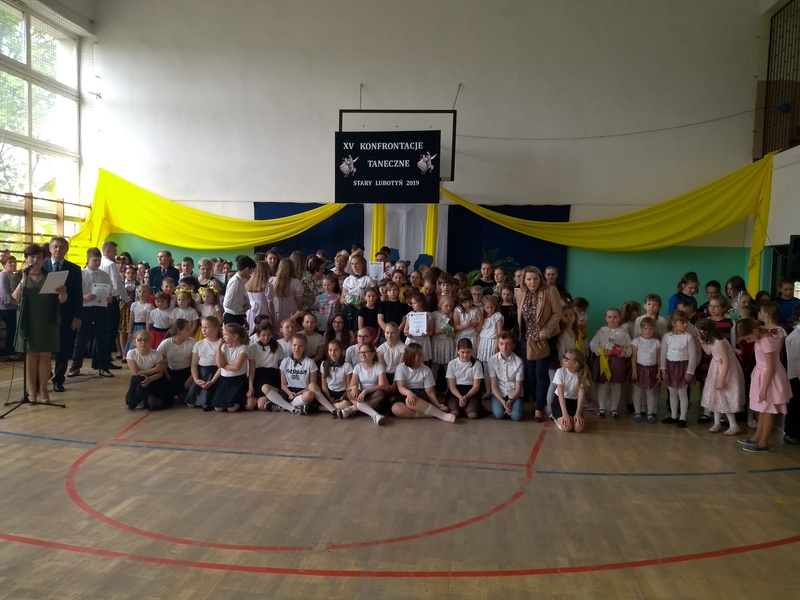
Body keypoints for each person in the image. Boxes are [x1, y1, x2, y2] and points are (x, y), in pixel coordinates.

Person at [11, 244, 67, 403]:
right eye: (32, 257)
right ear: (26, 259)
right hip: (28, 320)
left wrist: (63, 293)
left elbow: (62, 300)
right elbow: (15, 299)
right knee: (31, 355)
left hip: (47, 319)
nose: (35, 260)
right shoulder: (19, 276)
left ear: (44, 260)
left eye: (39, 257)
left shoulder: (51, 276)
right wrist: (23, 279)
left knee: (45, 355)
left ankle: (43, 389)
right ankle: (31, 391)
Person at [736, 318, 792, 452]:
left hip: (769, 379)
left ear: (755, 331)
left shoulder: (766, 341)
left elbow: (771, 367)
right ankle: (757, 438)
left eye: (748, 338)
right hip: (762, 375)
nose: (748, 342)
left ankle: (763, 443)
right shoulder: (761, 338)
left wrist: (764, 389)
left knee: (768, 411)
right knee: (762, 410)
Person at [516, 266, 562, 422]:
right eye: (529, 279)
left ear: (540, 279)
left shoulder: (550, 290)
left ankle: (539, 408)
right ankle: (537, 401)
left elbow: (557, 313)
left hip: (544, 338)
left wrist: (546, 331)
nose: (532, 282)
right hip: (527, 339)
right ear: (524, 280)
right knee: (530, 373)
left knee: (541, 372)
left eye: (535, 278)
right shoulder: (520, 292)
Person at [42, 237, 82, 392]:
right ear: (50, 248)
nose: (58, 250)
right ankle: (43, 375)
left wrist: (77, 316)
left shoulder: (74, 269)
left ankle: (58, 380)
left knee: (63, 348)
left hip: (66, 314)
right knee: (44, 348)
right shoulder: (42, 266)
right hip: (44, 314)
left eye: (62, 247)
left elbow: (78, 294)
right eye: (55, 246)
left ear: (66, 250)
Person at [69, 247, 114, 378]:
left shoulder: (105, 275)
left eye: (99, 260)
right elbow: (74, 293)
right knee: (81, 338)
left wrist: (109, 297)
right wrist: (84, 296)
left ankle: (103, 367)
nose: (97, 263)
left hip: (101, 308)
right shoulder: (81, 274)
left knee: (102, 338)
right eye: (94, 260)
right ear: (88, 260)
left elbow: (109, 291)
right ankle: (75, 367)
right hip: (85, 308)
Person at [695, 319, 745, 436]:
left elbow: (726, 362)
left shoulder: (720, 342)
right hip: (716, 368)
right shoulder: (711, 339)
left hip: (725, 370)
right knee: (716, 396)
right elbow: (708, 351)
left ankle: (733, 425)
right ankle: (717, 423)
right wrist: (700, 340)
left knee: (725, 396)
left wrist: (721, 380)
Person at [392, 343, 455, 422]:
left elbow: (429, 391)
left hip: (419, 393)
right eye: (420, 355)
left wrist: (437, 405)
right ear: (412, 357)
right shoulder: (401, 368)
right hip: (405, 392)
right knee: (395, 408)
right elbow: (401, 386)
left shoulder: (426, 370)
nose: (423, 356)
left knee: (410, 402)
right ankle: (432, 414)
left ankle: (442, 415)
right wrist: (408, 393)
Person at [589, 308, 632, 420]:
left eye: (615, 317)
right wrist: (602, 351)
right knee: (603, 385)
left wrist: (624, 353)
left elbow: (630, 348)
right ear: (606, 318)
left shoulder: (624, 333)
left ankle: (614, 409)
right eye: (609, 317)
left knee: (616, 386)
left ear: (619, 318)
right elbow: (593, 345)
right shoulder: (601, 332)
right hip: (604, 362)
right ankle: (602, 408)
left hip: (618, 363)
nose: (612, 319)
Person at [659, 310, 699, 428]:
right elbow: (663, 354)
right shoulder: (667, 337)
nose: (685, 325)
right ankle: (674, 415)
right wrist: (663, 369)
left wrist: (690, 371)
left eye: (686, 322)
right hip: (671, 367)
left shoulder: (688, 337)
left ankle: (683, 417)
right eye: (682, 322)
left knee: (682, 393)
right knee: (672, 392)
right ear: (674, 323)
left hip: (683, 367)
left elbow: (693, 356)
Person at [339, 342, 388, 424]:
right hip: (361, 396)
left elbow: (382, 385)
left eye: (365, 352)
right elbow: (351, 385)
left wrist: (366, 391)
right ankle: (375, 414)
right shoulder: (357, 367)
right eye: (361, 352)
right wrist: (354, 387)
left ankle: (351, 409)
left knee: (381, 394)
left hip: (374, 395)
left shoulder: (379, 367)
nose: (363, 354)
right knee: (349, 392)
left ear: (373, 354)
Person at [125, 330, 169, 410]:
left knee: (155, 404)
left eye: (146, 340)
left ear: (150, 342)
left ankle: (149, 399)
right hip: (140, 379)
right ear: (134, 342)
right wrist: (155, 369)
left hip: (154, 379)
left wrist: (150, 379)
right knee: (138, 379)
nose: (143, 342)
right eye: (140, 340)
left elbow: (160, 373)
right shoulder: (131, 353)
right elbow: (136, 372)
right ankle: (141, 399)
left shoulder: (156, 354)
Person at [246, 321, 285, 411]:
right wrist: (250, 387)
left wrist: (282, 384)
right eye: (263, 335)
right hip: (258, 376)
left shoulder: (277, 346)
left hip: (271, 376)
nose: (266, 338)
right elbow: (252, 370)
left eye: (269, 335)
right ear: (258, 334)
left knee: (261, 405)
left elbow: (280, 367)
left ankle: (277, 397)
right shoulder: (253, 347)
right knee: (249, 406)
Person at [99, 240, 126, 370]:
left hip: (101, 299)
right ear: (107, 250)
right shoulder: (110, 264)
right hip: (111, 299)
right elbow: (117, 284)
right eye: (114, 251)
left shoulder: (99, 262)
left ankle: (98, 359)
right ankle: (106, 359)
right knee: (111, 330)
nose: (116, 253)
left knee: (102, 330)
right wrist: (126, 298)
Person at [212, 323, 250, 412]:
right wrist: (219, 347)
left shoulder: (243, 348)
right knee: (218, 408)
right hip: (224, 380)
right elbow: (219, 364)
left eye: (226, 334)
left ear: (235, 336)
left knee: (231, 409)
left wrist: (223, 365)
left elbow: (236, 367)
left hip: (237, 381)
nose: (223, 337)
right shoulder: (224, 347)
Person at [185, 316, 222, 409]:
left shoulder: (221, 344)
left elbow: (221, 366)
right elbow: (194, 364)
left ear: (216, 329)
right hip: (201, 374)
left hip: (215, 374)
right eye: (202, 327)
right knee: (190, 404)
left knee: (208, 404)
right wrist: (196, 379)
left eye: (207, 327)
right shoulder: (198, 344)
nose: (204, 330)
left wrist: (212, 381)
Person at [630, 317, 661, 423]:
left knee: (650, 393)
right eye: (646, 328)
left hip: (652, 370)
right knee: (637, 392)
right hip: (640, 369)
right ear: (641, 329)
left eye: (651, 328)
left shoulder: (657, 342)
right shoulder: (636, 341)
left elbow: (658, 358)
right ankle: (637, 412)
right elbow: (633, 358)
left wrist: (659, 371)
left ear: (654, 329)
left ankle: (650, 413)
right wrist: (634, 371)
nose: (648, 331)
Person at [552, 349, 590, 433]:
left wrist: (578, 413)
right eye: (564, 357)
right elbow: (561, 395)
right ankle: (555, 418)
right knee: (567, 427)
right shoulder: (560, 372)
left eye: (567, 359)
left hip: (573, 404)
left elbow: (581, 395)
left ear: (575, 363)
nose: (563, 360)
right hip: (559, 403)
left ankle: (571, 418)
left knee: (579, 428)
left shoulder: (582, 374)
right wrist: (565, 414)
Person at [157, 319, 195, 403]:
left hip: (187, 373)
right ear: (179, 332)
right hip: (171, 373)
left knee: (186, 399)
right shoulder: (166, 343)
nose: (190, 330)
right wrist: (166, 376)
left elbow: (195, 363)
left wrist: (191, 378)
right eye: (187, 329)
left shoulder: (192, 342)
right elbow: (158, 361)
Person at [445, 338, 484, 419]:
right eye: (462, 352)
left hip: (471, 391)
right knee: (454, 412)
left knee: (472, 414)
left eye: (468, 352)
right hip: (456, 391)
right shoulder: (452, 364)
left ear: (472, 351)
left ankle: (467, 407)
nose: (465, 355)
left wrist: (466, 397)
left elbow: (476, 386)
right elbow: (451, 386)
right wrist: (460, 397)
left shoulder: (477, 364)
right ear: (457, 351)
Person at [341, 254, 375, 332]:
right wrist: (350, 301)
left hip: (361, 310)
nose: (354, 266)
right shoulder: (348, 280)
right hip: (349, 311)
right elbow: (342, 300)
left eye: (357, 263)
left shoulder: (368, 280)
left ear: (362, 264)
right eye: (352, 264)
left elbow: (373, 297)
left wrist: (360, 300)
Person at [222, 255, 256, 327]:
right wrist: (241, 309)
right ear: (247, 269)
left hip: (237, 315)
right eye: (251, 270)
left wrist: (246, 305)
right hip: (233, 317)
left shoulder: (240, 281)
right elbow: (228, 303)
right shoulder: (236, 281)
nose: (251, 273)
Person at [783, 304, 800, 445]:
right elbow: (795, 362)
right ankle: (791, 433)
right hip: (797, 377)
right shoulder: (795, 337)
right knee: (795, 405)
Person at [320, 339, 352, 410]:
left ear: (341, 351)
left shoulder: (347, 366)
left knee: (346, 404)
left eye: (336, 350)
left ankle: (323, 408)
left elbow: (348, 386)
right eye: (330, 350)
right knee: (317, 395)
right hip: (329, 393)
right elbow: (324, 386)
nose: (333, 353)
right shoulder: (324, 364)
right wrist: (329, 399)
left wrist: (342, 398)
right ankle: (335, 407)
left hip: (342, 393)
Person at [271, 258, 303, 327]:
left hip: (275, 306)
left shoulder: (272, 280)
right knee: (289, 327)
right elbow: (299, 302)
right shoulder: (295, 282)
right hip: (290, 308)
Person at [245, 261, 275, 333]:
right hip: (262, 310)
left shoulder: (248, 284)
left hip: (250, 310)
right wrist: (273, 318)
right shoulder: (267, 285)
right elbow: (270, 305)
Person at [404, 293, 433, 362]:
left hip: (423, 341)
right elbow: (405, 329)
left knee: (421, 360)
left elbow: (431, 331)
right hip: (412, 340)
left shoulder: (428, 315)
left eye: (415, 303)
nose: (412, 305)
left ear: (421, 303)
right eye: (412, 303)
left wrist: (427, 333)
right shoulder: (410, 314)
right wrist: (407, 333)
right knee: (410, 359)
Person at [125, 284, 154, 354]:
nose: (141, 293)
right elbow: (131, 319)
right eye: (140, 291)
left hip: (144, 327)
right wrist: (130, 332)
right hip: (135, 328)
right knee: (134, 346)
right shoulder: (134, 305)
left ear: (149, 294)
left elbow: (148, 320)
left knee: (143, 345)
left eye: (144, 292)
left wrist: (148, 332)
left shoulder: (149, 306)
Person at [0, 254, 18, 357]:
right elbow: (5, 296)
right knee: (13, 327)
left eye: (14, 262)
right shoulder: (3, 275)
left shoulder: (14, 275)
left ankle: (16, 349)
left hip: (13, 306)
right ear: (4, 265)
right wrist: (18, 303)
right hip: (5, 308)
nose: (13, 264)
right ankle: (10, 351)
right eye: (10, 262)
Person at [476, 295, 503, 363]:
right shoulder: (484, 317)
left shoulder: (497, 316)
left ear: (495, 306)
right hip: (483, 342)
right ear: (484, 307)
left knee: (492, 362)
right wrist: (480, 318)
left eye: (492, 307)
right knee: (483, 363)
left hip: (492, 342)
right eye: (487, 308)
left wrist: (497, 344)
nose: (490, 310)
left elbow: (499, 333)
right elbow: (479, 330)